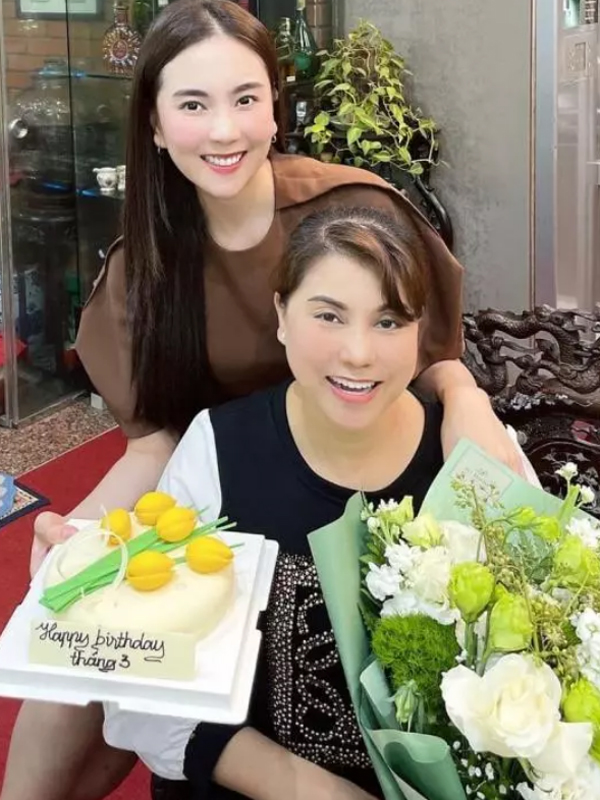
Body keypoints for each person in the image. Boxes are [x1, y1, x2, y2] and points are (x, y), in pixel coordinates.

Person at [0, 2, 522, 799]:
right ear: (154, 124)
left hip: (351, 474)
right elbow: (156, 442)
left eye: (245, 98)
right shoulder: (146, 267)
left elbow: (427, 351)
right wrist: (83, 536)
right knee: (77, 649)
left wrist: (466, 398)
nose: (224, 130)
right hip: (224, 491)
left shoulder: (352, 213)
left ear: (276, 107)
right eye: (193, 103)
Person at [103, 204, 449, 800]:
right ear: (282, 315)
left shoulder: (466, 460)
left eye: (390, 321)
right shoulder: (220, 450)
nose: (359, 352)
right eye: (329, 316)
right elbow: (147, 683)